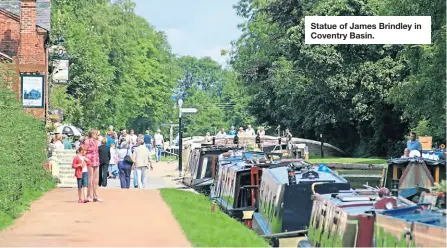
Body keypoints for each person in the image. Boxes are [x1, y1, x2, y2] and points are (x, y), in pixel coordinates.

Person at [85, 129, 102, 202]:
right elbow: (84, 151)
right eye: (96, 134)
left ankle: (96, 196)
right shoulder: (87, 141)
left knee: (96, 179)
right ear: (92, 134)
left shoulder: (97, 142)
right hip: (89, 160)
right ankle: (89, 196)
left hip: (96, 160)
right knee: (90, 178)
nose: (97, 136)